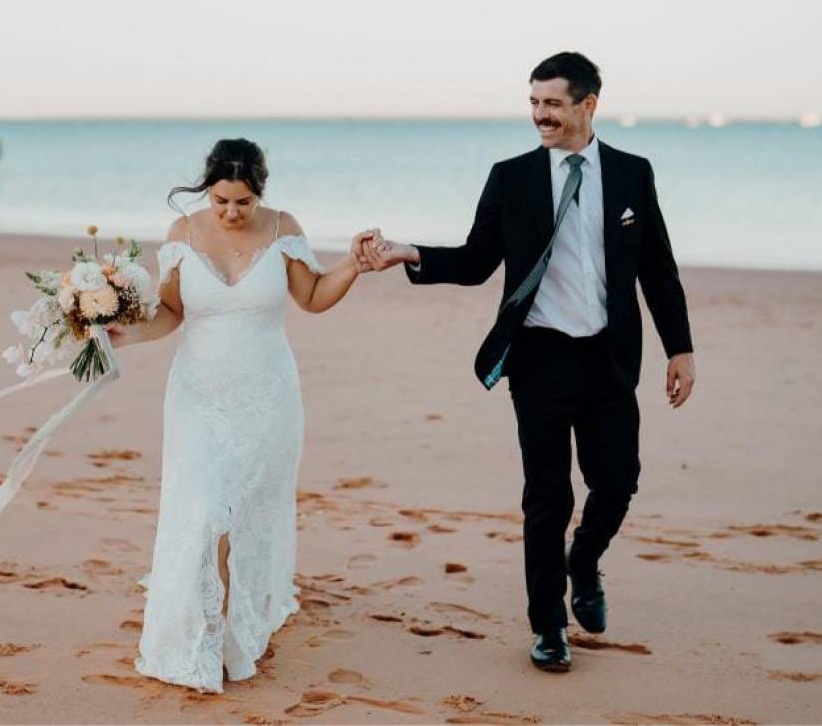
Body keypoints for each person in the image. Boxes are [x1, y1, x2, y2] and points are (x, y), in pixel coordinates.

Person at [356, 51, 696, 673]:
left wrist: (681, 347)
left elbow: (657, 266)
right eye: (534, 103)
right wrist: (407, 253)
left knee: (617, 482)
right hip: (539, 359)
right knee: (546, 498)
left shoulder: (631, 174)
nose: (540, 115)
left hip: (610, 359)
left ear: (588, 105)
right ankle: (549, 628)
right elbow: (477, 259)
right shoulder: (510, 177)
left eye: (553, 104)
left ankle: (584, 561)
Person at [108, 137, 365, 693]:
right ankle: (205, 636)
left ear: (260, 195)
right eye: (222, 200)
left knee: (248, 513)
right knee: (203, 509)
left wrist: (353, 265)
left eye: (243, 202)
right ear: (208, 189)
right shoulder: (183, 234)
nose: (230, 213)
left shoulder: (281, 228)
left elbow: (314, 297)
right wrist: (126, 335)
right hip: (198, 395)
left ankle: (231, 622)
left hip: (267, 395)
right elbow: (171, 311)